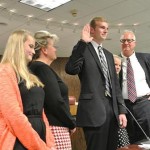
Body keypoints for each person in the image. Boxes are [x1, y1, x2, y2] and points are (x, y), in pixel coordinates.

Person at [65, 16, 127, 150]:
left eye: (107, 28)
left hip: (113, 112)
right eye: (102, 27)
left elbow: (115, 86)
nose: (106, 31)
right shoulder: (83, 48)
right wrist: (83, 42)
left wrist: (121, 111)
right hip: (94, 112)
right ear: (92, 30)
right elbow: (70, 69)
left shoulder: (109, 55)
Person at [0, 29, 56, 150]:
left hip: (38, 138)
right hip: (19, 140)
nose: (33, 51)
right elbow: (13, 115)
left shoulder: (29, 75)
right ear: (18, 45)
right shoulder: (4, 71)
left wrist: (49, 142)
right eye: (30, 46)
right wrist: (40, 146)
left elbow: (41, 113)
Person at [29, 30, 76, 150]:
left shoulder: (34, 68)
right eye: (53, 46)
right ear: (44, 49)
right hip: (55, 126)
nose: (55, 49)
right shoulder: (42, 69)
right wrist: (71, 122)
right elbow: (55, 101)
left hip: (49, 125)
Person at [119, 30, 150, 144]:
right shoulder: (115, 61)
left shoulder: (145, 58)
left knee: (147, 139)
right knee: (130, 141)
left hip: (144, 104)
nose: (126, 43)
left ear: (134, 43)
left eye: (129, 40)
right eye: (123, 40)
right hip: (125, 107)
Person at [113, 55, 130, 148]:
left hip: (122, 114)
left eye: (119, 65)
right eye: (115, 64)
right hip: (112, 116)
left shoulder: (121, 79)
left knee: (124, 145)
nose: (118, 67)